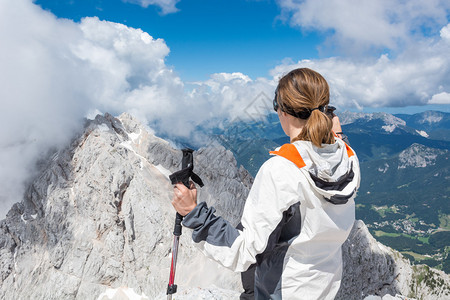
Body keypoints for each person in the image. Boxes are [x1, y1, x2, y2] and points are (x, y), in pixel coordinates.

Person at [172, 68, 360, 300]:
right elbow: (334, 149)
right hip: (324, 289)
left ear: (282, 111)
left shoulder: (281, 170)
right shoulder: (348, 157)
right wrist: (337, 137)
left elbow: (243, 252)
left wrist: (193, 213)